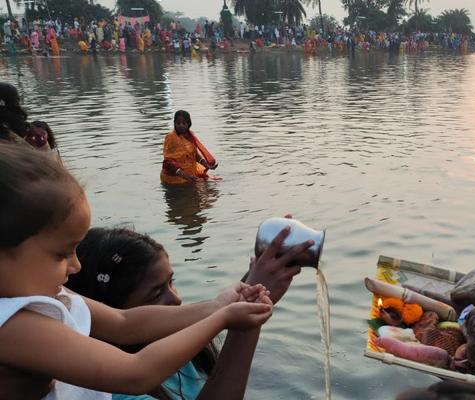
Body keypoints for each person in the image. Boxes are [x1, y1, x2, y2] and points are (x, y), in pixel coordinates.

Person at [0, 144, 274, 399]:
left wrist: (216, 306)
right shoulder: (11, 327)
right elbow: (136, 373)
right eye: (61, 255)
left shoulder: (51, 293)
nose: (76, 266)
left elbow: (124, 323)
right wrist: (222, 319)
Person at [63, 224, 309, 399]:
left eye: (171, 282)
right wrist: (248, 321)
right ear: (104, 309)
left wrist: (255, 289)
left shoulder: (175, 338)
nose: (177, 299)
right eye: (156, 294)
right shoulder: (110, 391)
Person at [161, 110, 218, 184]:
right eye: (178, 123)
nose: (181, 125)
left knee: (214, 185)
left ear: (189, 124)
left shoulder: (191, 136)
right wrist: (186, 176)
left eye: (184, 123)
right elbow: (168, 161)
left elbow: (195, 155)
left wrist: (207, 165)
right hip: (174, 179)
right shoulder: (171, 137)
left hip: (190, 175)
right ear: (174, 124)